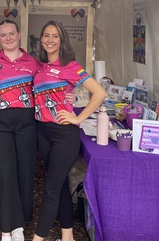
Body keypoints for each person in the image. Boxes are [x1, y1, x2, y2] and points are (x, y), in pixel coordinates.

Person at [31, 21, 106, 241]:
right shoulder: (41, 66)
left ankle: (38, 238)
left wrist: (79, 117)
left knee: (51, 188)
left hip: (64, 134)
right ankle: (68, 236)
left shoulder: (71, 66)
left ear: (62, 40)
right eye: (46, 35)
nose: (50, 40)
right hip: (43, 131)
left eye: (55, 36)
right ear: (42, 39)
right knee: (61, 184)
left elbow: (99, 93)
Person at [0, 20, 39, 241]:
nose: (8, 38)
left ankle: (19, 225)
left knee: (24, 171)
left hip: (26, 121)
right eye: (3, 35)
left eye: (11, 34)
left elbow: (43, 87)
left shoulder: (32, 62)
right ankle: (6, 228)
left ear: (19, 35)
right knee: (5, 173)